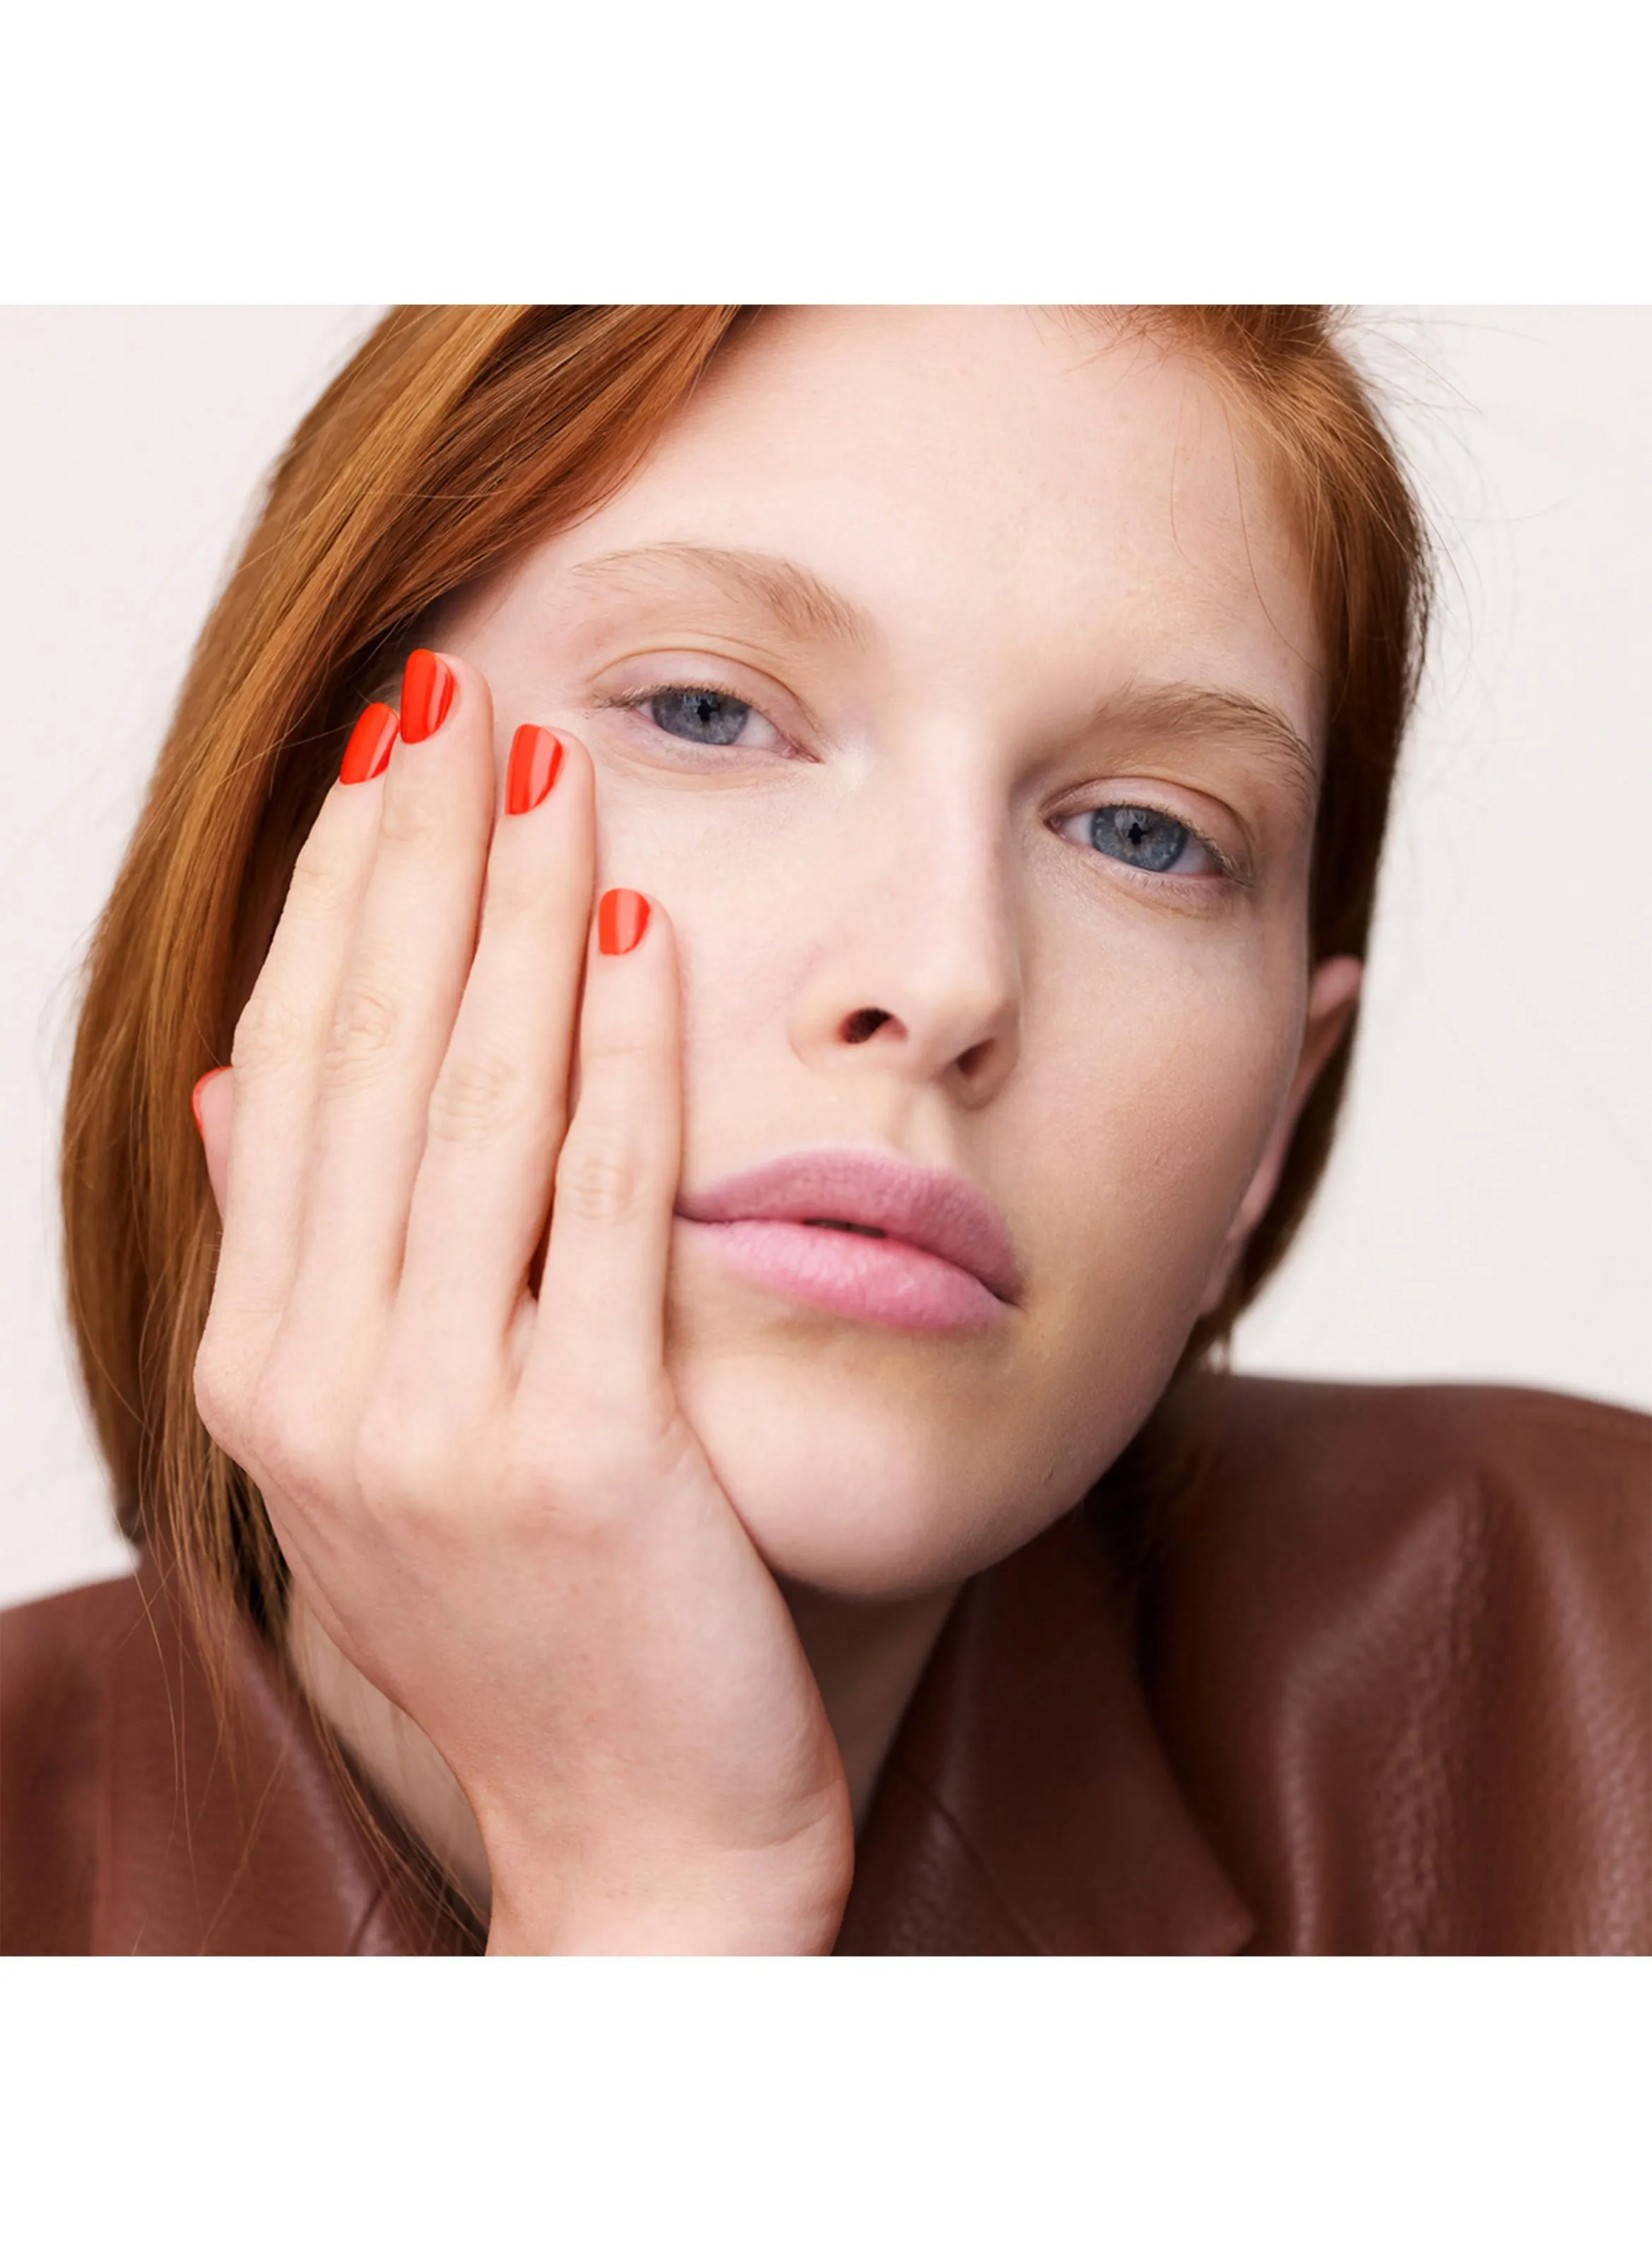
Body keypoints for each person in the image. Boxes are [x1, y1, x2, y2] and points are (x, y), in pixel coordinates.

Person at [3, 305, 1646, 1955]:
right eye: (710, 713)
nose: (944, 977)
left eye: (1146, 832)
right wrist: (655, 1900)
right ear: (301, 882)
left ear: (1275, 1114)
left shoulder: (1596, 1669)